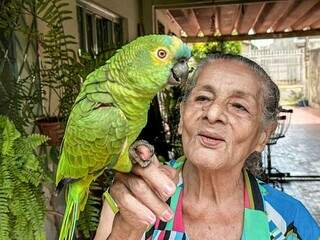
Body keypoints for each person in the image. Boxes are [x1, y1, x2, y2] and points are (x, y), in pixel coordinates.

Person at [94, 53, 320, 240]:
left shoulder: (290, 222)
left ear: (263, 135)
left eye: (239, 106)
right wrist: (126, 231)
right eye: (203, 98)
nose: (212, 114)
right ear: (182, 117)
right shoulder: (134, 198)